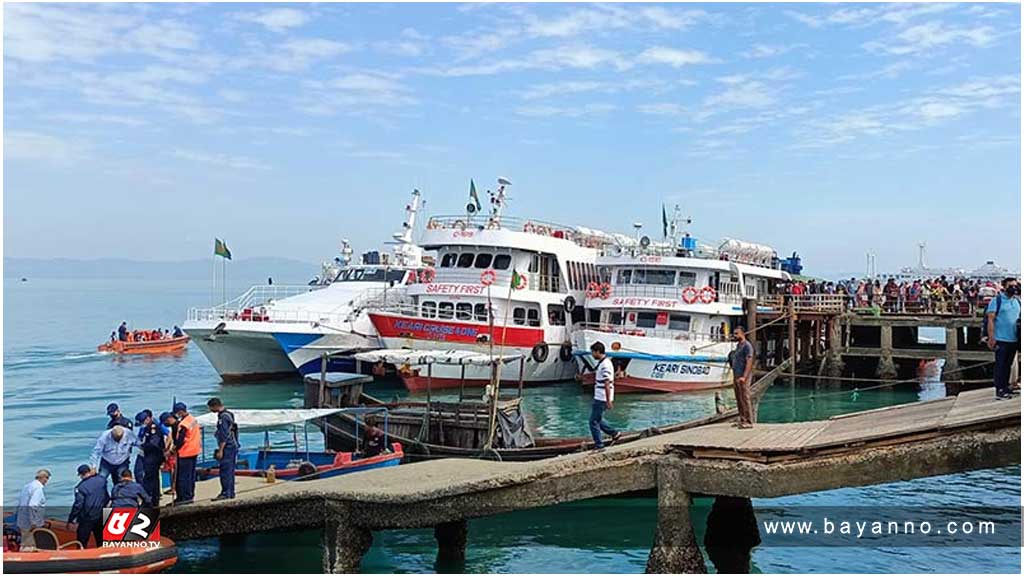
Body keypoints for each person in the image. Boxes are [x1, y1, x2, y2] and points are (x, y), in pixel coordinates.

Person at [987, 278, 1021, 400]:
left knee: (1008, 365)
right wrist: (991, 337)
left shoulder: (1018, 301)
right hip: (1001, 338)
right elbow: (990, 319)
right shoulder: (997, 301)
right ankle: (999, 390)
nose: (1014, 288)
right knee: (1000, 365)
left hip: (1013, 339)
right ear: (1004, 287)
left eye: (1015, 285)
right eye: (1011, 286)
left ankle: (1006, 387)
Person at [588, 342, 621, 449]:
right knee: (598, 418)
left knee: (593, 421)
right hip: (599, 395)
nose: (592, 355)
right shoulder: (603, 363)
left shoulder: (605, 364)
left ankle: (599, 444)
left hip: (601, 396)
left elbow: (607, 382)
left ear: (598, 351)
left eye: (593, 352)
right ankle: (614, 433)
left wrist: (608, 400)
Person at [206, 397, 239, 501]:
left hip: (227, 447)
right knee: (230, 470)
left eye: (211, 408)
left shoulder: (223, 418)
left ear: (215, 406)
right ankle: (230, 492)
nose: (211, 410)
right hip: (233, 445)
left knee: (225, 470)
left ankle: (225, 492)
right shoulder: (229, 414)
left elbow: (224, 435)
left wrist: (220, 450)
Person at [68, 465, 109, 548]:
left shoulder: (80, 487)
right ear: (89, 471)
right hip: (101, 515)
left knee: (82, 541)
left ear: (81, 475)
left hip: (87, 518)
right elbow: (106, 497)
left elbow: (78, 505)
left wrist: (71, 518)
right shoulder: (102, 480)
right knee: (101, 539)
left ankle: (81, 556)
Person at [171, 402, 201, 505]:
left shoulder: (183, 424)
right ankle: (189, 495)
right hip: (194, 450)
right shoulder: (192, 419)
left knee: (183, 477)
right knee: (191, 476)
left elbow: (181, 440)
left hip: (185, 452)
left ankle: (184, 498)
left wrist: (175, 448)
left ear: (180, 412)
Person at [15, 470, 50, 549]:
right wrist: (34, 522)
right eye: (47, 478)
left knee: (24, 543)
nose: (46, 481)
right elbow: (32, 505)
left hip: (22, 520)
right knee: (30, 545)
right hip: (30, 523)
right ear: (44, 478)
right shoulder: (38, 488)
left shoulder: (27, 486)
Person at [139, 412, 166, 506]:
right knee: (153, 479)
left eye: (143, 421)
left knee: (150, 479)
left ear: (148, 419)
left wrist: (143, 446)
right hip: (151, 456)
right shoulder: (147, 428)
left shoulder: (153, 428)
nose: (143, 423)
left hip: (154, 456)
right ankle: (154, 500)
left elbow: (154, 443)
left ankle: (150, 500)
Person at [731, 327, 756, 428]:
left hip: (743, 376)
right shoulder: (738, 346)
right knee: (738, 398)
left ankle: (749, 421)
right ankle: (742, 419)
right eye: (734, 334)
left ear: (742, 334)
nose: (735, 336)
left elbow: (749, 361)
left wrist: (744, 377)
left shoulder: (747, 346)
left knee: (745, 398)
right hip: (736, 375)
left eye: (737, 334)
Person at [132, 411, 152, 488]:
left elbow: (168, 435)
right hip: (142, 453)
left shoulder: (155, 426)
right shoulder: (142, 428)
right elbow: (139, 439)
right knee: (137, 473)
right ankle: (141, 490)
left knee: (149, 474)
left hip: (150, 455)